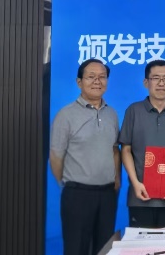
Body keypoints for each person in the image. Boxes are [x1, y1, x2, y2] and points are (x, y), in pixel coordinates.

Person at [49, 59, 121, 255]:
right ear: (79, 82)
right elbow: (56, 156)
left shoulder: (112, 114)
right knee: (76, 248)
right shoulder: (66, 115)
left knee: (105, 248)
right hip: (77, 195)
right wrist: (69, 183)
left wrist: (116, 180)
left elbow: (114, 150)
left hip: (107, 195)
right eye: (91, 77)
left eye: (102, 77)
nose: (97, 81)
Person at [119, 59, 165, 228]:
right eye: (156, 78)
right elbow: (125, 149)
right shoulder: (133, 111)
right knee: (140, 243)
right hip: (140, 197)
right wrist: (135, 184)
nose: (161, 83)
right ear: (146, 82)